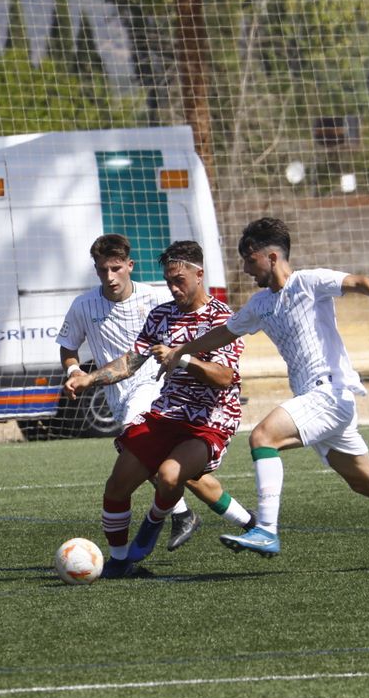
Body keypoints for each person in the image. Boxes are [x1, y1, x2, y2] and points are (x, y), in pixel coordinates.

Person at [163, 217, 369, 567]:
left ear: (272, 257)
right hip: (313, 400)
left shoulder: (309, 282)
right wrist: (181, 351)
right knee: (364, 481)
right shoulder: (260, 304)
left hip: (330, 393)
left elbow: (360, 282)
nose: (245, 269)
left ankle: (266, 530)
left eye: (249, 259)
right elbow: (223, 333)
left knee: (262, 437)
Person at [56, 234, 255, 552]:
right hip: (166, 411)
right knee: (118, 484)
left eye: (179, 281)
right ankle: (120, 560)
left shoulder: (222, 318)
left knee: (169, 474)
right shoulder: (162, 314)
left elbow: (224, 377)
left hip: (209, 418)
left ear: (199, 275)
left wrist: (182, 357)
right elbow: (130, 362)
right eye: (169, 281)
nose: (173, 288)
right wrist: (86, 378)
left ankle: (160, 521)